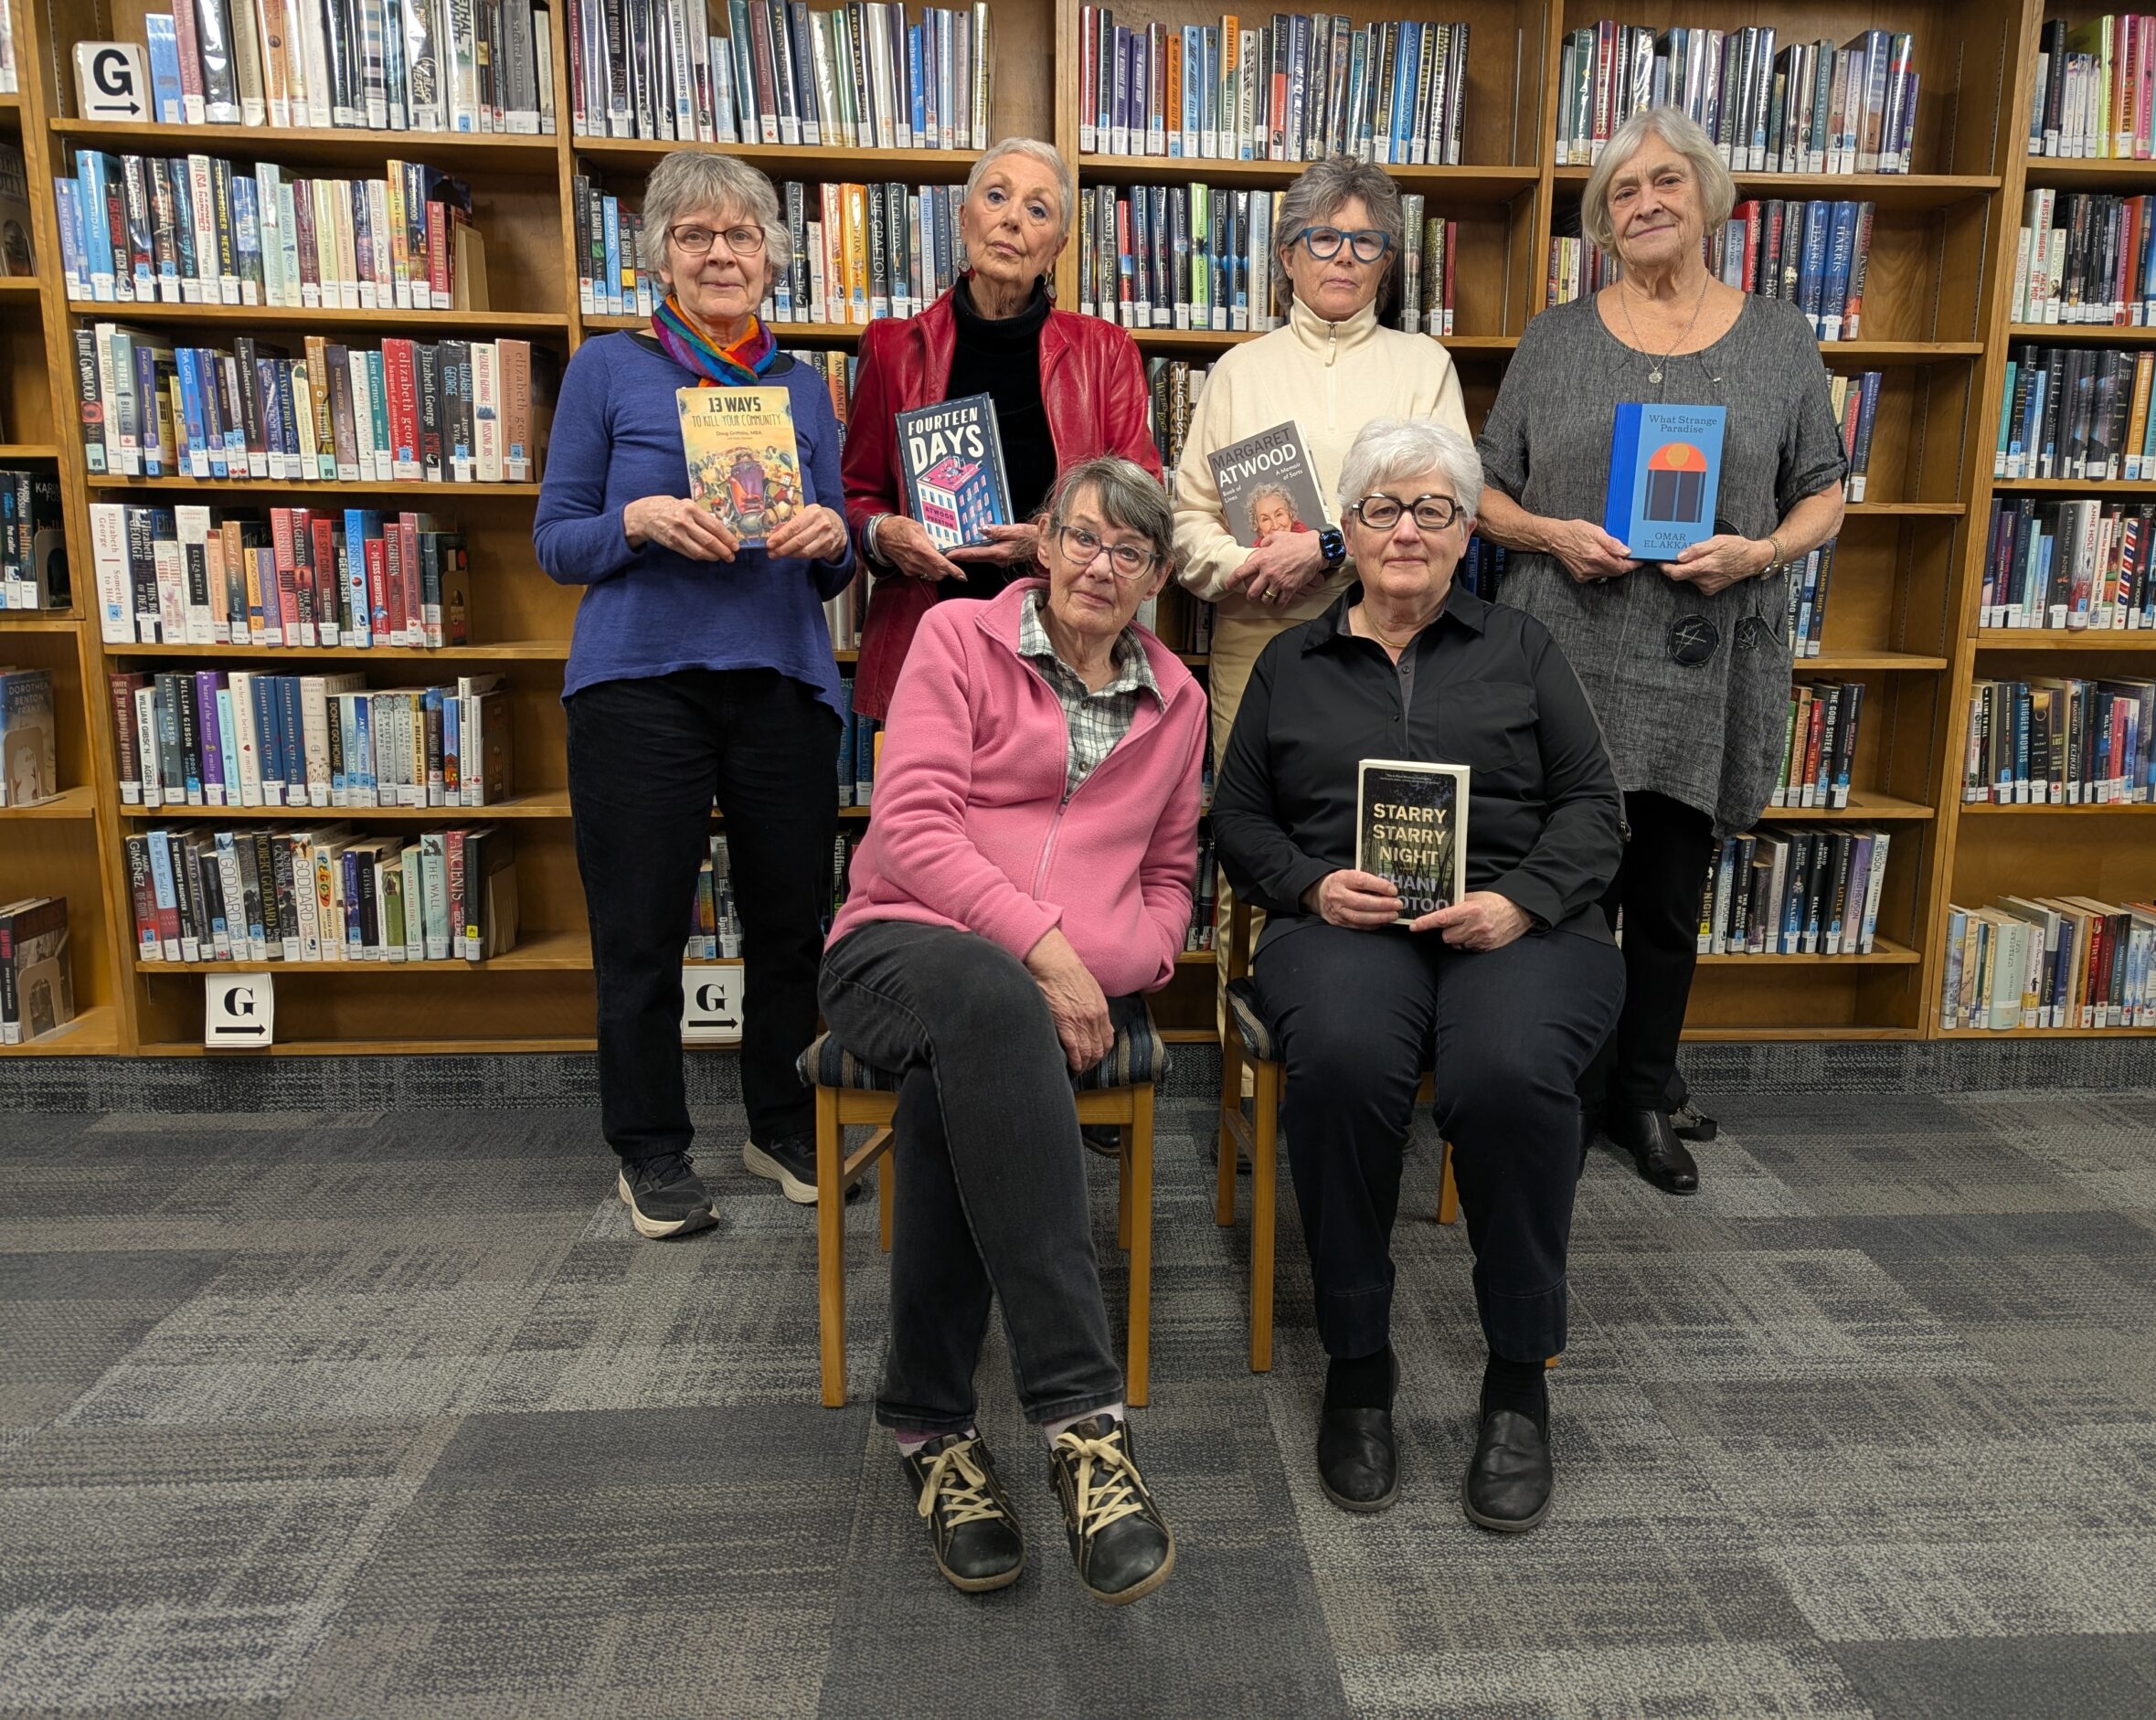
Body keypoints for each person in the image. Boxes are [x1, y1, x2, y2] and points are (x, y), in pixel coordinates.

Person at [1212, 419, 1625, 1534]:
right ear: (1343, 529)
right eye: (1383, 509)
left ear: (1462, 538)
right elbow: (1236, 818)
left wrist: (1520, 899)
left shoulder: (1522, 648)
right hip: (1346, 924)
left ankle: (1516, 1377)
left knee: (1505, 1073)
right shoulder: (1292, 662)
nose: (1406, 530)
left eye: (1433, 510)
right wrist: (1305, 885)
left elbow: (1597, 809)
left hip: (1516, 924)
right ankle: (1358, 1361)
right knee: (1341, 1063)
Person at [821, 456, 1206, 1604]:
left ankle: (931, 1431)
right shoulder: (955, 640)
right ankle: (1084, 1422)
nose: (1101, 563)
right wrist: (1040, 951)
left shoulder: (1177, 699)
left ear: (1158, 576)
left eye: (1130, 551)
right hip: (896, 943)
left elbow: (1174, 876)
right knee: (991, 999)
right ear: (1041, 542)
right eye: (1081, 536)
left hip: (1048, 988)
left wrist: (1108, 963)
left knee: (975, 1057)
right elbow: (912, 831)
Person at [1473, 107, 1847, 1195]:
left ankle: (1642, 1091)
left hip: (1703, 645)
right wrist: (1550, 532)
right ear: (1599, 220)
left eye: (1664, 183)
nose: (1645, 203)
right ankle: (1570, 1083)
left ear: (1707, 198)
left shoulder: (1777, 337)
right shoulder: (1556, 339)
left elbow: (1825, 494)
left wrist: (1761, 551)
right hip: (1568, 649)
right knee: (1565, 882)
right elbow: (1483, 492)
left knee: (1670, 892)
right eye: (1623, 191)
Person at [535, 153, 855, 1237]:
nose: (722, 253)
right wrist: (636, 521)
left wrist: (833, 538)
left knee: (788, 925)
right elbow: (556, 540)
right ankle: (651, 1149)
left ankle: (779, 1121)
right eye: (695, 236)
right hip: (638, 686)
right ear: (660, 255)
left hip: (782, 682)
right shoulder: (608, 371)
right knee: (639, 931)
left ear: (773, 257)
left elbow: (833, 565)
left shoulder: (804, 385)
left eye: (743, 236)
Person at [1170, 154, 1470, 1014]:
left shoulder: (1423, 367)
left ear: (1388, 261)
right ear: (1288, 256)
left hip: (1398, 638)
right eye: (1322, 237)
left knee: (1386, 836)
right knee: (1256, 836)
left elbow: (1448, 503)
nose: (1343, 256)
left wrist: (1330, 547)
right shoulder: (1238, 371)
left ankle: (1372, 1033)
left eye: (1365, 240)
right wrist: (1250, 566)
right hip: (1259, 638)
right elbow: (1187, 524)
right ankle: (1260, 1059)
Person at [842, 138, 1161, 721]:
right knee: (926, 810)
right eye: (996, 197)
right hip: (928, 637)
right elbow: (856, 494)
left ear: (1057, 247)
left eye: (1037, 210)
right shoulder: (891, 349)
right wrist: (884, 533)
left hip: (1066, 641)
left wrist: (1048, 539)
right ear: (965, 219)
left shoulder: (1105, 351)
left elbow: (1142, 505)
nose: (1012, 219)